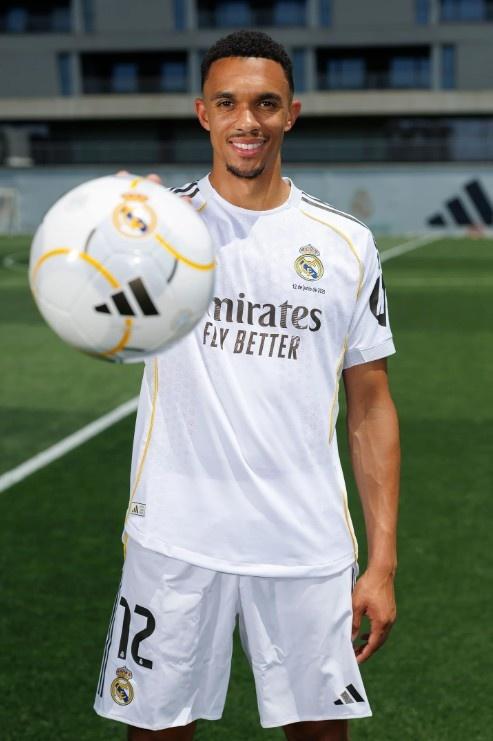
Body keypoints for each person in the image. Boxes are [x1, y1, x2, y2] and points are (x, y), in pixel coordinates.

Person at [94, 30, 400, 741]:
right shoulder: (163, 228)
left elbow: (371, 404)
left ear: (291, 113)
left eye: (265, 103)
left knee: (319, 734)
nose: (247, 121)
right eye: (228, 103)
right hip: (175, 539)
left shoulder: (346, 243)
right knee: (155, 732)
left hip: (305, 543)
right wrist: (110, 238)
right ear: (203, 113)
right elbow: (103, 326)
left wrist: (382, 560)